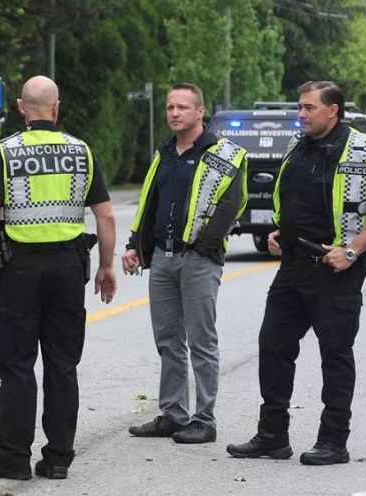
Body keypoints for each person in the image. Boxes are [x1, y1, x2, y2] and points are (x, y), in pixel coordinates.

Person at [0, 75, 117, 481]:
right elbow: (106, 215)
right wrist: (106, 266)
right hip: (68, 270)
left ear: (22, 108)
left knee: (17, 365)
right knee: (63, 365)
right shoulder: (81, 152)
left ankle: (14, 458)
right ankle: (58, 458)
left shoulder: (5, 153)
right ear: (56, 108)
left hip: (19, 273)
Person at [227, 81, 366, 465]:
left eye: (309, 108)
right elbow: (294, 198)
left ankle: (333, 441)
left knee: (335, 354)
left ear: (334, 110)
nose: (301, 114)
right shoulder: (298, 146)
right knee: (273, 345)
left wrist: (352, 251)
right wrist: (279, 230)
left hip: (335, 270)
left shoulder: (362, 150)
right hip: (293, 266)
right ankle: (272, 436)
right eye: (300, 107)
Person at [123, 83, 247, 444]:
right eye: (169, 107)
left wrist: (203, 248)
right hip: (162, 257)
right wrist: (137, 245)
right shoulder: (164, 154)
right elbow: (150, 202)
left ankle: (204, 419)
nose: (174, 113)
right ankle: (174, 414)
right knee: (168, 340)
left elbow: (230, 205)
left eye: (182, 107)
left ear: (200, 112)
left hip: (198, 260)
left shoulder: (224, 154)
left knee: (202, 341)